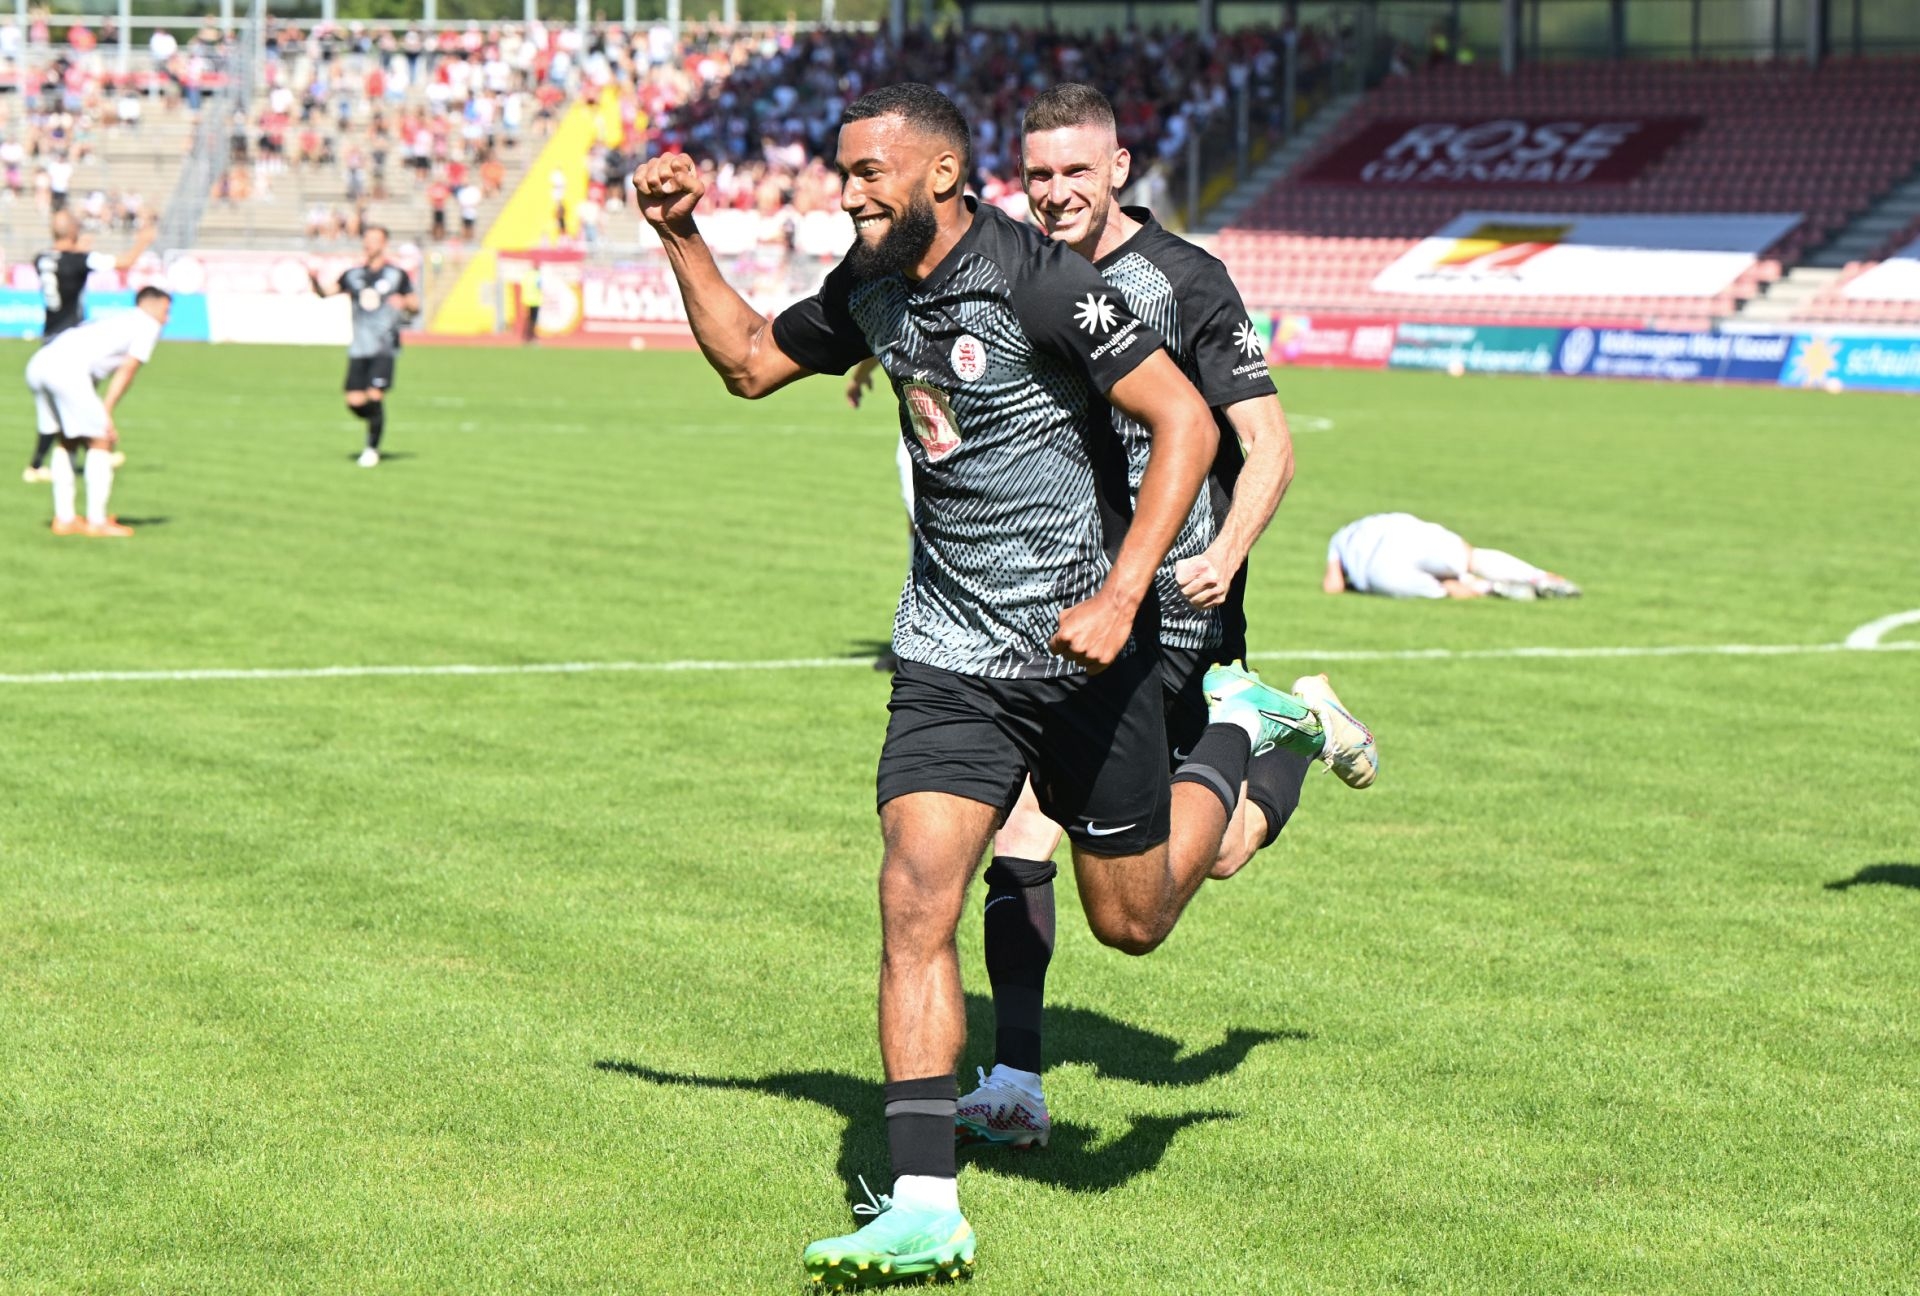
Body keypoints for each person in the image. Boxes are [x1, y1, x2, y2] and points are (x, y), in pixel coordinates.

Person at [634, 82, 1352, 1289]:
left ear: (941, 180)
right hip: (951, 656)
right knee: (916, 893)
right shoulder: (873, 289)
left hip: (1086, 658)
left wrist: (1128, 592)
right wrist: (679, 237)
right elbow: (753, 362)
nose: (847, 191)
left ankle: (1237, 730)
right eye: (844, 171)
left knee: (1134, 923)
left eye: (869, 174)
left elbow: (1184, 422)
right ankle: (923, 1201)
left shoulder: (1044, 284)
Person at [955, 83, 1379, 1153]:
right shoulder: (1007, 262)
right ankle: (1014, 1077)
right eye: (1038, 175)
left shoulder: (1185, 282)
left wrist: (1224, 560)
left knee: (1192, 865)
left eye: (1075, 174)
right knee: (1035, 825)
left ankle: (1265, 724)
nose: (1054, 195)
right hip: (1052, 592)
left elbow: (1270, 444)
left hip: (1174, 602)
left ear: (1119, 169)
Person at [22, 209, 156, 482]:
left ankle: (47, 462)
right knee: (75, 404)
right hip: (70, 342)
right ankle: (93, 449)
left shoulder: (41, 259)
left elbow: (63, 258)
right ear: (73, 232)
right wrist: (144, 241)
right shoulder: (80, 260)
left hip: (48, 337)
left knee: (57, 410)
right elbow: (125, 262)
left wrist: (78, 247)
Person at [25, 287, 172, 538]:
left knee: (68, 439)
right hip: (67, 370)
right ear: (152, 305)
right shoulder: (147, 325)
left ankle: (65, 519)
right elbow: (127, 371)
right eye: (166, 310)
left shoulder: (117, 318)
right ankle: (97, 521)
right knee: (100, 440)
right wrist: (106, 412)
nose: (167, 318)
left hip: (40, 363)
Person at [309, 225, 418, 468]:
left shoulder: (396, 275)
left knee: (375, 395)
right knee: (355, 401)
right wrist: (313, 278)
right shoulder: (353, 274)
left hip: (384, 347)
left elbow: (415, 305)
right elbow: (325, 294)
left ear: (384, 244)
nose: (368, 244)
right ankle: (376, 422)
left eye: (374, 240)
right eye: (366, 239)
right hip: (359, 347)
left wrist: (405, 304)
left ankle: (372, 448)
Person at [1324, 512, 1581, 600]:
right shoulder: (1377, 521)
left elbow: (1332, 586)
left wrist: (1351, 585)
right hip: (1409, 533)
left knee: (1447, 586)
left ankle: (1490, 588)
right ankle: (1538, 577)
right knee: (1470, 557)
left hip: (1378, 571)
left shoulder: (1339, 538)